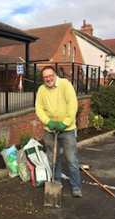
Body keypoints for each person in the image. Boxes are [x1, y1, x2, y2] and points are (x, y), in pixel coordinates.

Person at [35, 66, 83, 198]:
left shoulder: (65, 85)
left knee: (71, 159)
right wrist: (48, 122)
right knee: (52, 159)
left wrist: (65, 123)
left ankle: (76, 186)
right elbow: (39, 108)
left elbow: (72, 105)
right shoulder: (41, 90)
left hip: (67, 130)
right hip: (49, 130)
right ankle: (56, 182)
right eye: (45, 77)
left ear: (55, 75)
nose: (48, 79)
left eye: (50, 75)